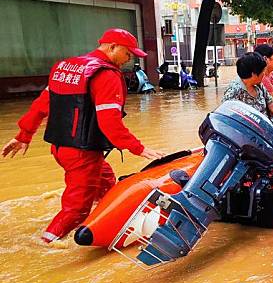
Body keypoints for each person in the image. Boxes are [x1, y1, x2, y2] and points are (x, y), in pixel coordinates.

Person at [1, 28, 164, 244]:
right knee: (76, 209)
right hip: (82, 154)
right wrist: (139, 148)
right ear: (112, 47)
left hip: (60, 148)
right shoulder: (106, 75)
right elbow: (109, 122)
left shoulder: (67, 67)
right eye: (128, 53)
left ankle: (104, 217)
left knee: (106, 182)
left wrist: (24, 135)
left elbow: (42, 104)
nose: (129, 59)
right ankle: (45, 244)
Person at [222, 52, 273, 175]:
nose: (264, 74)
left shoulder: (259, 86)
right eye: (263, 71)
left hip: (265, 132)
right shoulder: (234, 91)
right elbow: (227, 118)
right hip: (249, 138)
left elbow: (272, 104)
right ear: (253, 73)